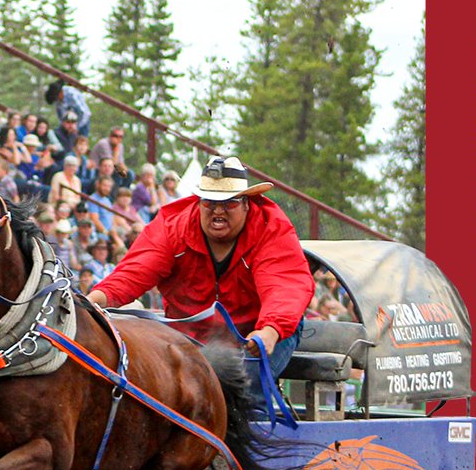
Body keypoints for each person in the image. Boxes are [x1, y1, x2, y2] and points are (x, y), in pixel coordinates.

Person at [88, 155, 315, 386]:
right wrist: (91, 301)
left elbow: (284, 286)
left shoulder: (270, 228)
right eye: (209, 201)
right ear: (198, 202)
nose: (218, 210)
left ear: (247, 204)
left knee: (243, 390)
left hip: (256, 334)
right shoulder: (173, 226)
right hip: (192, 334)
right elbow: (133, 272)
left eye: (229, 202)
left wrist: (269, 331)